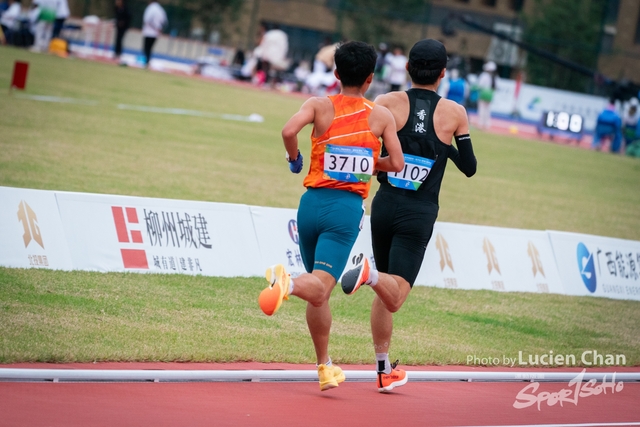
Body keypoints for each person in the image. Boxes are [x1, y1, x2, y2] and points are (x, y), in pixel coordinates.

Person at [258, 41, 404, 392]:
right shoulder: (380, 116)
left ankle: (324, 366)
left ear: (336, 73)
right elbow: (397, 163)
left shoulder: (318, 105)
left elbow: (288, 131)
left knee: (319, 291)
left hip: (310, 205)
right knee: (319, 284)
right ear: (370, 78)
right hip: (344, 210)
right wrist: (368, 164)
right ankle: (286, 283)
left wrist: (294, 159)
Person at [340, 38, 477, 392]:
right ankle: (368, 273)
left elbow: (365, 150)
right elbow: (470, 168)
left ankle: (383, 368)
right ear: (443, 73)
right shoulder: (455, 113)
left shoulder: (386, 102)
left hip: (385, 205)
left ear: (406, 68)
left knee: (386, 292)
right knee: (395, 294)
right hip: (419, 212)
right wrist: (443, 147)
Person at [141, 0, 166, 68]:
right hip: (156, 33)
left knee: (146, 48)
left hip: (149, 31)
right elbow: (164, 21)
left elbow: (146, 19)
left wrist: (154, 27)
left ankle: (146, 62)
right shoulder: (161, 9)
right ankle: (147, 61)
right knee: (150, 48)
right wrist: (159, 28)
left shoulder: (150, 8)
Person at [476, 61, 497, 130]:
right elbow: (496, 87)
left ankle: (481, 124)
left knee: (482, 109)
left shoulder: (484, 75)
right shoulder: (494, 77)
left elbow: (480, 85)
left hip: (483, 95)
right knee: (487, 110)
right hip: (490, 96)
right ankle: (487, 125)